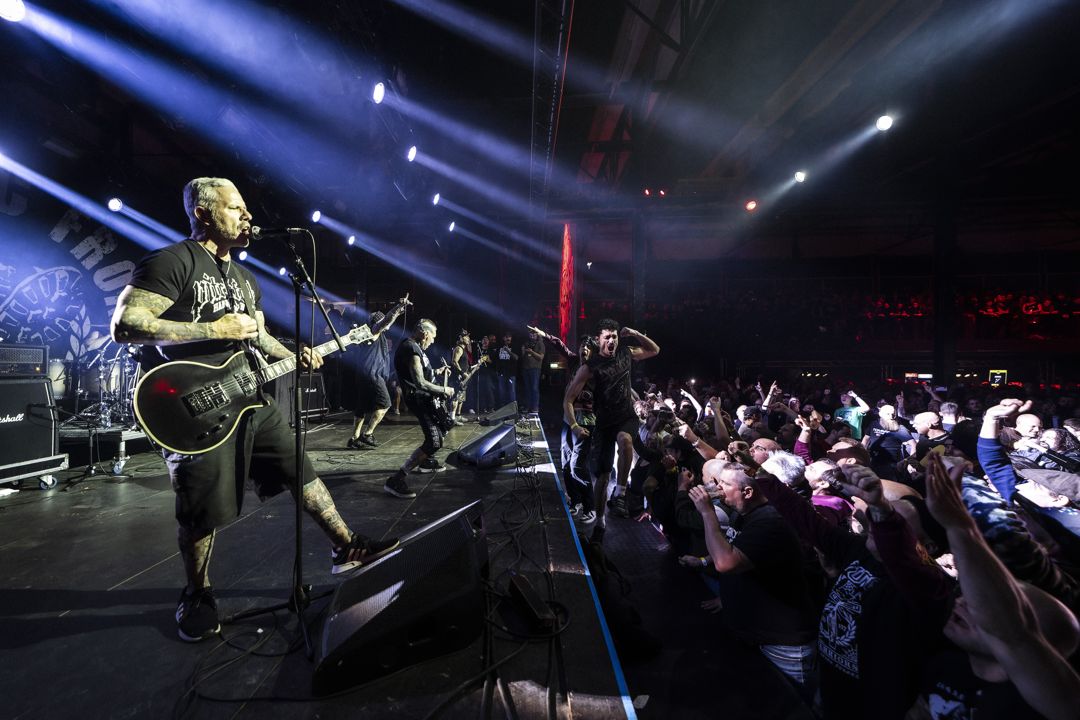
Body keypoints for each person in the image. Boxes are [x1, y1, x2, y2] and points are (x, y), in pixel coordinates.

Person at [110, 177, 399, 643]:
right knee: (199, 508)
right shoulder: (173, 261)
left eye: (247, 209)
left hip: (250, 399)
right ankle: (197, 592)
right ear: (204, 213)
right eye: (236, 208)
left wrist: (296, 351)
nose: (248, 217)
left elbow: (255, 337)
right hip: (194, 407)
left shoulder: (244, 278)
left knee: (299, 467)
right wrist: (216, 327)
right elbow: (126, 325)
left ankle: (347, 547)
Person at [563, 318, 658, 542]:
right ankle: (600, 521)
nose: (612, 340)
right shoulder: (590, 367)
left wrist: (634, 331)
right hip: (603, 424)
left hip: (626, 416)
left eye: (614, 336)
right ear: (599, 340)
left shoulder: (626, 353)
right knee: (603, 476)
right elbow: (568, 399)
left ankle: (621, 493)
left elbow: (654, 349)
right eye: (607, 337)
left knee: (625, 440)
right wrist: (574, 426)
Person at [383, 318, 455, 498]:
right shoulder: (411, 348)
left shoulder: (417, 350)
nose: (433, 340)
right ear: (424, 333)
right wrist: (444, 389)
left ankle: (426, 461)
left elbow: (424, 374)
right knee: (434, 441)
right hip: (419, 400)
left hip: (426, 400)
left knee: (444, 428)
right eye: (432, 336)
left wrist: (438, 372)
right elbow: (420, 382)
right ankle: (396, 480)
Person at [346, 301, 409, 449]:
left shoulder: (368, 333)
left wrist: (397, 313)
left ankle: (354, 438)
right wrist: (397, 308)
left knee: (361, 407)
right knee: (386, 403)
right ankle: (368, 434)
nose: (387, 326)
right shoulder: (372, 332)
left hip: (363, 375)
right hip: (372, 375)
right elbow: (386, 321)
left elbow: (387, 322)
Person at [520, 327, 545, 414]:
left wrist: (531, 352)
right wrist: (523, 351)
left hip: (535, 369)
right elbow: (523, 356)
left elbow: (541, 357)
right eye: (530, 333)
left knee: (534, 389)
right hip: (525, 368)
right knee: (527, 389)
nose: (532, 335)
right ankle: (527, 406)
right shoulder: (526, 343)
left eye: (534, 333)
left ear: (537, 334)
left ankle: (535, 407)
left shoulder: (540, 344)